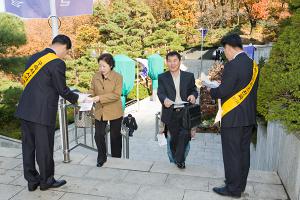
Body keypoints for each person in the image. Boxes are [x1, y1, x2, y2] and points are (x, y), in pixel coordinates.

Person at [15, 35, 87, 191]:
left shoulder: (34, 57)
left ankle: (32, 181)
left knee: (28, 147)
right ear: (63, 46)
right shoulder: (56, 63)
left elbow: (34, 84)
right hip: (42, 113)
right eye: (67, 52)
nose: (65, 56)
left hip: (25, 110)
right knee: (44, 148)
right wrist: (79, 100)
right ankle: (46, 180)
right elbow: (62, 90)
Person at [207, 34, 259, 198]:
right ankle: (240, 185)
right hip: (248, 117)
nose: (225, 54)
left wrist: (211, 90)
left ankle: (232, 189)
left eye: (224, 50)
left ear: (229, 47)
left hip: (233, 117)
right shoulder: (253, 64)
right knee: (243, 153)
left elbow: (223, 91)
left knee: (231, 154)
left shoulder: (232, 65)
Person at [157, 51, 198, 169]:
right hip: (171, 113)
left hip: (186, 112)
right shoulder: (162, 77)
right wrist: (164, 99)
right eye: (169, 61)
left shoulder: (188, 76)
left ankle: (179, 160)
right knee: (174, 140)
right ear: (166, 62)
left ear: (180, 61)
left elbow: (194, 90)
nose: (172, 64)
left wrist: (193, 96)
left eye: (175, 61)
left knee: (185, 134)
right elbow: (161, 93)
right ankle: (177, 161)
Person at [89, 53, 123, 167]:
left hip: (115, 110)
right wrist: (88, 97)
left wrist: (99, 98)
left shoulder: (118, 77)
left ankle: (116, 158)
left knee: (115, 137)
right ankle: (101, 157)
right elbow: (92, 90)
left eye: (104, 66)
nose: (101, 69)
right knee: (98, 135)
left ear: (111, 66)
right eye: (100, 66)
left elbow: (116, 95)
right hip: (100, 110)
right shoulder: (96, 76)